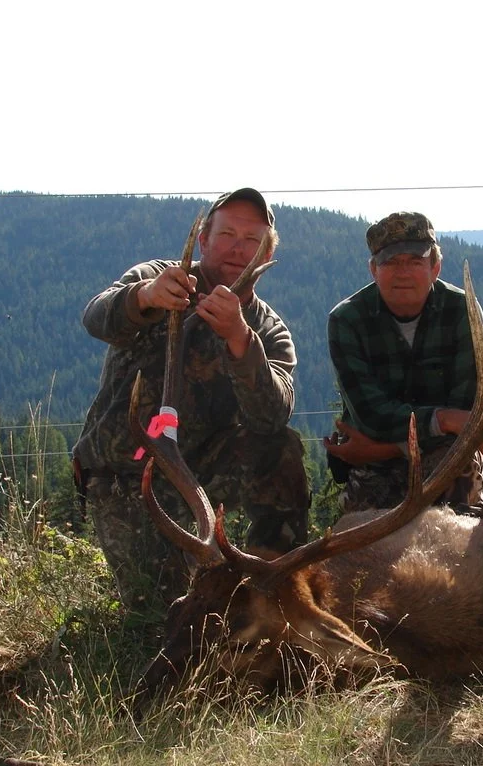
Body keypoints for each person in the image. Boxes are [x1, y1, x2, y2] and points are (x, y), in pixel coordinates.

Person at [72, 187, 309, 618]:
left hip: (202, 475)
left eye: (252, 240)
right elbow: (95, 317)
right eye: (227, 235)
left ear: (267, 254)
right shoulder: (161, 276)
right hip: (124, 477)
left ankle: (277, 593)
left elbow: (272, 416)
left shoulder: (267, 329)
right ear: (203, 240)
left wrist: (240, 341)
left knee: (282, 450)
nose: (238, 249)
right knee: (162, 615)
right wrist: (144, 297)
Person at [324, 211, 483, 513]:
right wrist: (442, 419)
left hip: (434, 456)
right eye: (390, 262)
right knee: (365, 550)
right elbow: (372, 415)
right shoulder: (346, 319)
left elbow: (467, 417)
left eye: (415, 261)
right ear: (373, 269)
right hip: (376, 467)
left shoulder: (463, 311)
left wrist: (381, 447)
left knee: (458, 533)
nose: (402, 272)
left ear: (435, 268)